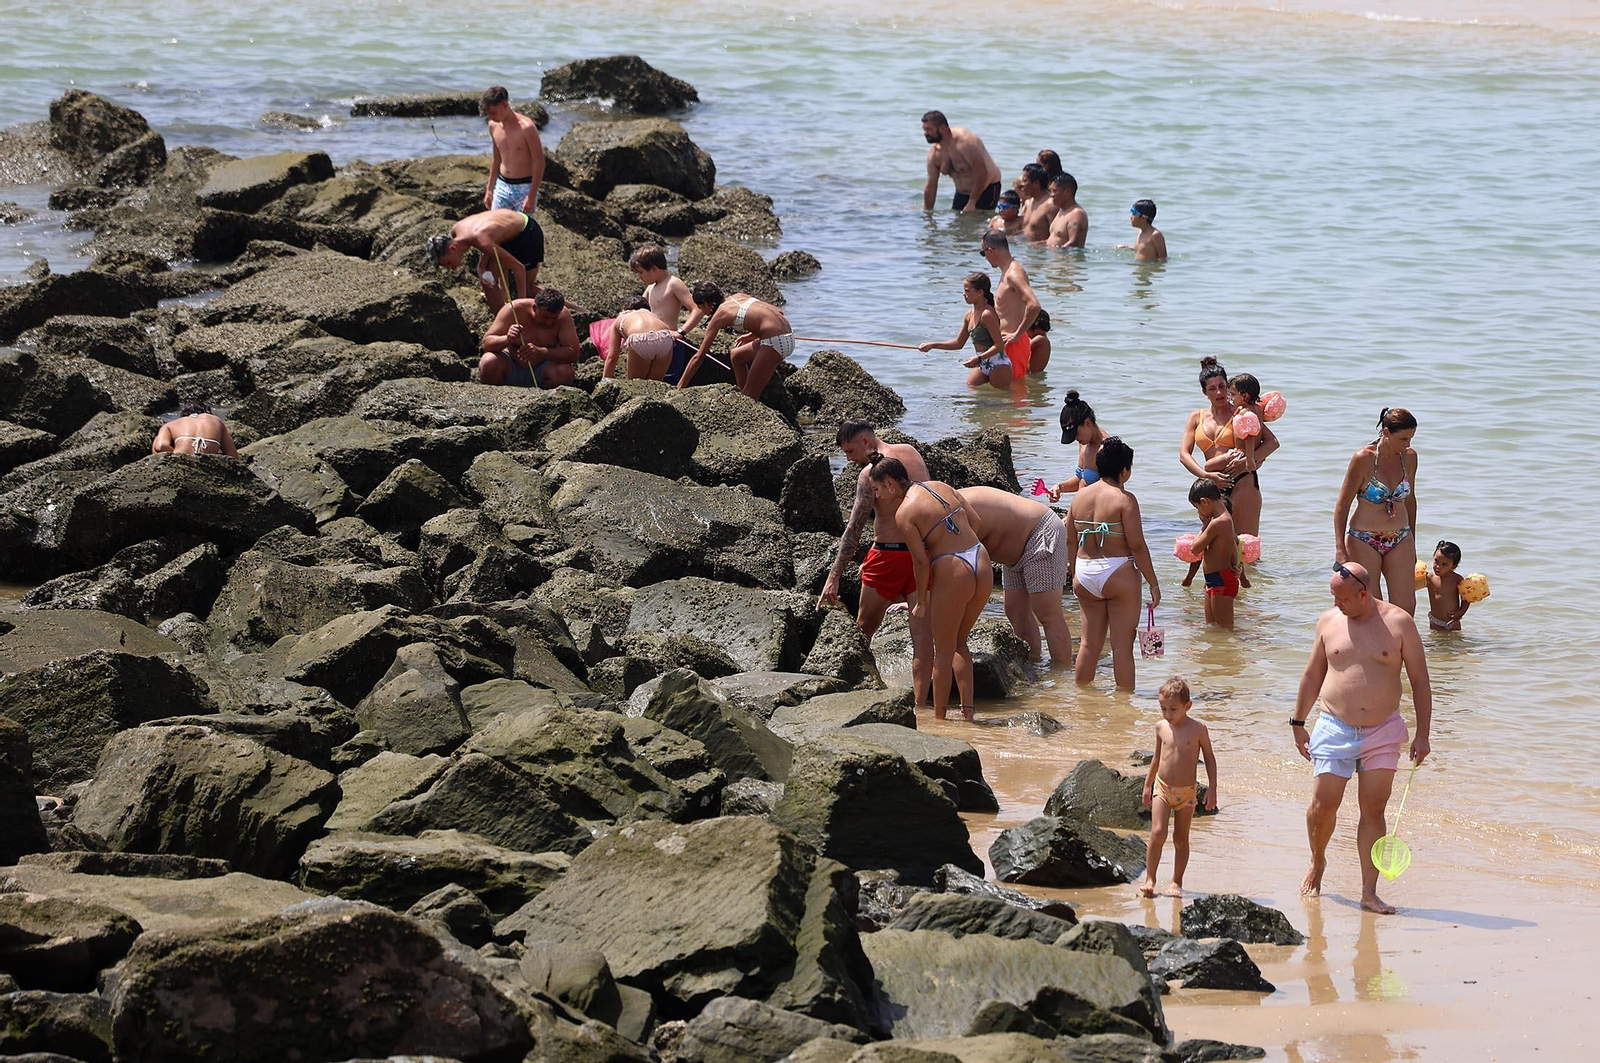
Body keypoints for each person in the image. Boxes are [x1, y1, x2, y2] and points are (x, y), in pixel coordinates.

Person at [1294, 560, 1432, 914]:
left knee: (1374, 810)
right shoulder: (1328, 622)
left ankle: (1369, 892)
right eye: (1332, 597)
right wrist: (1297, 721)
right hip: (1333, 724)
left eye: (1341, 598)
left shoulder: (1399, 623)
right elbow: (1312, 675)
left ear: (1363, 594)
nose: (1335, 604)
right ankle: (1317, 860)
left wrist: (1423, 735)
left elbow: (1419, 681)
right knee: (1323, 805)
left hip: (1383, 730)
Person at [867, 457, 992, 720]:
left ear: (890, 484)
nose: (876, 496)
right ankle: (968, 715)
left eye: (877, 489)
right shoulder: (940, 486)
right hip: (980, 558)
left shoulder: (904, 513)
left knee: (943, 652)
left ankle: (938, 721)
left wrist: (921, 600)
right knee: (960, 643)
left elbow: (921, 562)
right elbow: (976, 522)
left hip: (953, 568)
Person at [819, 422, 934, 706]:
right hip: (922, 556)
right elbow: (930, 503)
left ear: (865, 441)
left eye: (850, 450)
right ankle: (922, 708)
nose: (848, 458)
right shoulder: (911, 453)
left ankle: (852, 696)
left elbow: (854, 528)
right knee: (922, 639)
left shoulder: (869, 474)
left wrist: (833, 576)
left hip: (887, 557)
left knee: (863, 630)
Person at [1066, 437, 1160, 691]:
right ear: (1124, 471)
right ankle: (1125, 708)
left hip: (1085, 573)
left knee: (1088, 644)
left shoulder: (1078, 498)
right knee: (1121, 647)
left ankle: (1081, 700)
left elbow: (1070, 542)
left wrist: (1076, 573)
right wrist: (1153, 583)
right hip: (1117, 573)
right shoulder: (1125, 500)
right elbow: (1137, 546)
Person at [962, 486, 1073, 666]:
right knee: (1015, 610)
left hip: (1040, 531)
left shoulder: (948, 515)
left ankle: (1061, 675)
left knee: (1047, 613)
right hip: (1013, 551)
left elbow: (960, 572)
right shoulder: (932, 515)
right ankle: (1034, 664)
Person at [1179, 357, 1279, 539]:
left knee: (1245, 549)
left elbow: (1271, 443)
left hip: (1242, 483)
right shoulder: (1196, 417)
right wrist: (1206, 476)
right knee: (1216, 548)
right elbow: (1184, 455)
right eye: (1212, 388)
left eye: (1222, 386)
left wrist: (1251, 461)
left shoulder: (1242, 413)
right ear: (1204, 392)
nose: (1219, 392)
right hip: (1211, 487)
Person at [1138, 676, 1218, 897]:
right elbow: (1156, 758)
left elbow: (1210, 758)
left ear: (1187, 706)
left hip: (1187, 793)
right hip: (1162, 789)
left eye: (1173, 709)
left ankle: (1176, 881)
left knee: (1181, 839)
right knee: (1157, 832)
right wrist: (1147, 785)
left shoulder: (1198, 729)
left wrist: (1212, 788)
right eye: (1163, 708)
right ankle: (1150, 879)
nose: (1167, 714)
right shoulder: (1160, 727)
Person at [1334, 408, 1420, 615]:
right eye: (1403, 439)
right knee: (1371, 606)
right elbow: (1342, 504)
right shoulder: (1363, 458)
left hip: (1400, 537)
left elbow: (1410, 500)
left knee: (1406, 608)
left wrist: (1412, 539)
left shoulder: (1409, 457)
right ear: (1386, 432)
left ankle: (1401, 647)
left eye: (1411, 438)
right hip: (1363, 538)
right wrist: (1340, 549)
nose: (1408, 444)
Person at [677, 283, 794, 399]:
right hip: (787, 337)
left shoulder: (719, 316)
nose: (702, 312)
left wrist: (680, 387)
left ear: (707, 304)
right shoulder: (739, 296)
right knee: (737, 356)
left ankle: (747, 398)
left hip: (775, 342)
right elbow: (778, 312)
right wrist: (752, 335)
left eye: (700, 307)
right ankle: (743, 393)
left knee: (751, 396)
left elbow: (699, 356)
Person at [426, 209, 544, 316]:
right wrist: (481, 267)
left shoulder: (481, 240)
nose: (449, 268)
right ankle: (502, 319)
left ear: (452, 248)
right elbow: (490, 241)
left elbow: (519, 268)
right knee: (489, 278)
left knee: (529, 290)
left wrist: (520, 305)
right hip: (505, 235)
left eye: (448, 263)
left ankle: (561, 305)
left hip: (527, 231)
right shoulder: (456, 230)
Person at [917, 272, 1011, 389]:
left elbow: (999, 345)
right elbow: (958, 343)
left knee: (1001, 402)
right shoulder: (969, 315)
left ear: (980, 292)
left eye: (967, 291)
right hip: (982, 363)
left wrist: (978, 358)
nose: (963, 294)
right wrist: (932, 345)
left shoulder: (987, 314)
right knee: (970, 388)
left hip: (998, 364)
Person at [479, 287, 579, 388]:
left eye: (554, 319)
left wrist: (542, 352)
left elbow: (574, 353)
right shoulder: (514, 309)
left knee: (565, 373)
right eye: (545, 317)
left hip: (543, 370)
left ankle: (545, 401)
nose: (549, 323)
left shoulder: (563, 316)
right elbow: (486, 344)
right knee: (488, 362)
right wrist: (507, 339)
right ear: (535, 308)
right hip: (510, 366)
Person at [980, 231, 1042, 379]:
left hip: (1013, 344)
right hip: (1004, 343)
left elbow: (1034, 305)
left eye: (983, 254)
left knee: (1014, 392)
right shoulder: (1007, 271)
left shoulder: (1013, 274)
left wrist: (1016, 335)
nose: (985, 258)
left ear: (991, 251)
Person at [921, 111, 1003, 212]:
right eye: (924, 129)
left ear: (942, 128)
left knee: (981, 223)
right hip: (961, 193)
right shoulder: (934, 153)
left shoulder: (965, 142)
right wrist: (927, 213)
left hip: (987, 188)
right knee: (957, 224)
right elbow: (931, 185)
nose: (925, 133)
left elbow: (982, 173)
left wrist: (972, 202)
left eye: (929, 129)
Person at [480, 86, 545, 213]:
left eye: (493, 112)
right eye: (488, 114)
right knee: (496, 229)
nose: (491, 117)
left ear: (504, 105)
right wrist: (489, 189)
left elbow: (539, 162)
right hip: (502, 185)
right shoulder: (493, 126)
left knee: (521, 230)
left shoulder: (527, 128)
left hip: (524, 187)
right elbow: (496, 159)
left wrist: (531, 195)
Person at [1188, 479, 1239, 629]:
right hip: (1214, 580)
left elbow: (1195, 548)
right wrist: (1235, 565)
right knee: (1212, 629)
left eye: (1197, 508)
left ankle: (1246, 647)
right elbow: (1232, 545)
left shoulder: (1218, 522)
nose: (1199, 513)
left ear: (1204, 502)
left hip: (1221, 581)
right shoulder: (1224, 520)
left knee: (1225, 630)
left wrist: (1204, 525)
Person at [628, 246, 702, 336]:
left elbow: (697, 309)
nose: (639, 277)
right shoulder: (650, 288)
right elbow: (638, 311)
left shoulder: (673, 284)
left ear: (654, 269)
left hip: (668, 338)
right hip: (650, 337)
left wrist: (681, 332)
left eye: (641, 272)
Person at [1047, 390, 1104, 501]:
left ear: (1087, 423)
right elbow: (1081, 479)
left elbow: (1113, 491)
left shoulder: (1106, 449)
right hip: (1082, 510)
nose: (1076, 439)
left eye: (1076, 434)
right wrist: (1059, 487)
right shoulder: (1084, 442)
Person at [607, 298, 678, 381]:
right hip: (665, 337)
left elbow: (612, 358)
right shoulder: (651, 314)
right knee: (655, 384)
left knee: (636, 386)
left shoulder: (621, 317)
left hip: (640, 339)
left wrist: (603, 384)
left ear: (624, 309)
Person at [152, 404, 237, 456]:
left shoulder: (172, 424)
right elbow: (233, 456)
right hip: (207, 463)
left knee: (156, 443)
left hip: (181, 460)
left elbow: (160, 446)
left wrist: (176, 453)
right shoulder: (217, 421)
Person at [1425, 540, 1469, 631]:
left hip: (1452, 621)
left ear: (1453, 566)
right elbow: (1412, 586)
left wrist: (1460, 613)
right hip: (1435, 620)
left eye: (1444, 564)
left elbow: (1466, 599)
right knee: (1436, 642)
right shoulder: (1429, 577)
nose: (1438, 566)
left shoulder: (1457, 580)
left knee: (1454, 642)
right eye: (1436, 561)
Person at [1046, 173, 1089, 249]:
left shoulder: (1077, 214)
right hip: (1055, 258)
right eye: (1050, 191)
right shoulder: (1061, 211)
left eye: (1054, 191)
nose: (1051, 195)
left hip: (1067, 260)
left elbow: (1073, 243)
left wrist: (1056, 253)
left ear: (1068, 192)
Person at [1017, 163, 1058, 242]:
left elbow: (1056, 237)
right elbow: (1025, 230)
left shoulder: (1050, 205)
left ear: (1036, 183)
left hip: (1041, 252)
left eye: (1025, 181)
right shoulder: (1029, 203)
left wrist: (1037, 246)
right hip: (1026, 250)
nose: (1022, 184)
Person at [1027, 308, 1052, 373]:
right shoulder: (1044, 339)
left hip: (1031, 376)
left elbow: (1023, 349)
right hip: (1035, 375)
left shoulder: (1039, 339)